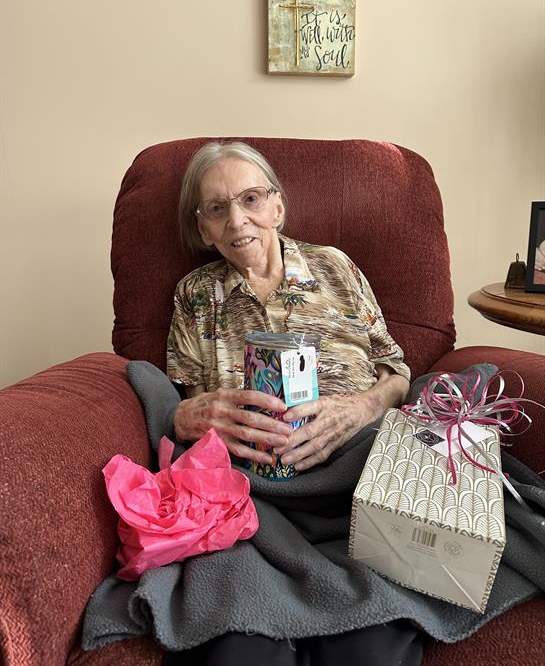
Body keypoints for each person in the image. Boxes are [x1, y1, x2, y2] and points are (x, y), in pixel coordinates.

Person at [164, 141, 423, 666]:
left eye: (251, 199)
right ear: (204, 228)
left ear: (278, 206)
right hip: (256, 500)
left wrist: (360, 408)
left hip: (355, 484)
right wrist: (189, 415)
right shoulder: (195, 295)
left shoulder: (335, 267)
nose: (237, 220)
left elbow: (397, 374)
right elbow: (190, 401)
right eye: (217, 208)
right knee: (241, 648)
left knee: (370, 650)